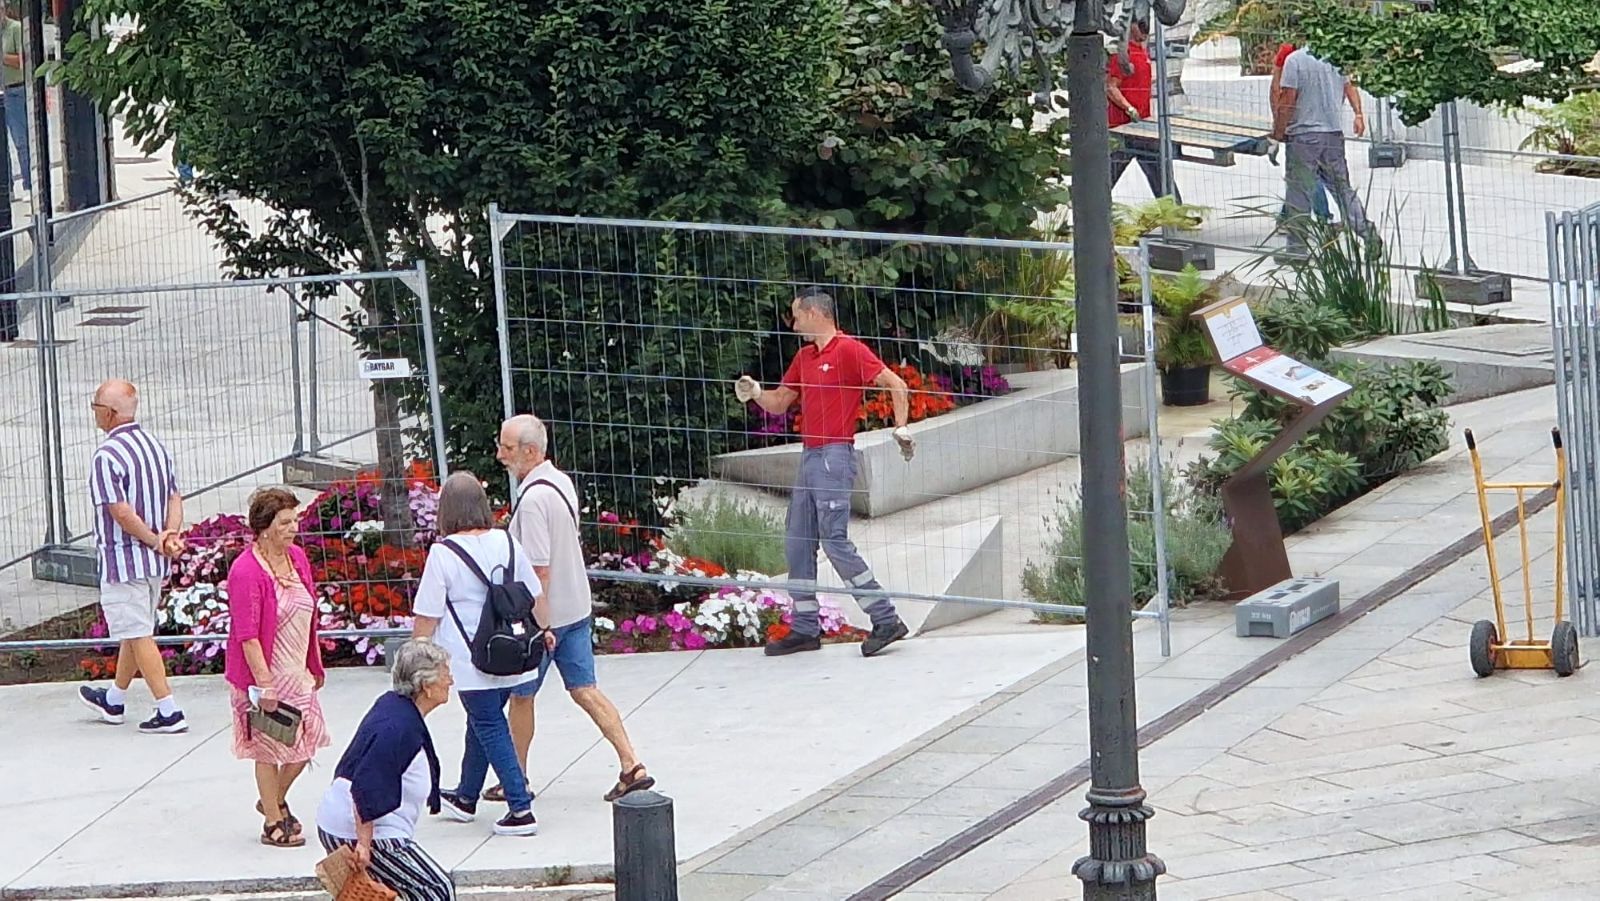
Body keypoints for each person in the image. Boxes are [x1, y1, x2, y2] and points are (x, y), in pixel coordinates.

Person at [485, 413, 655, 805]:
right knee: (586, 690)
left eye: (507, 448)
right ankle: (632, 764)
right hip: (576, 606)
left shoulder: (531, 501)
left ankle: (517, 778)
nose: (500, 456)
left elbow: (538, 570)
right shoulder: (559, 482)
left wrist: (538, 623)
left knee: (522, 696)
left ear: (530, 451)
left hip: (547, 618)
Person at [735, 287, 912, 658]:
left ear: (816, 313)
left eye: (797, 315)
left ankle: (885, 618)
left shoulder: (849, 349)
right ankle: (804, 628)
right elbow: (780, 402)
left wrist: (901, 427)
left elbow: (896, 384)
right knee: (798, 540)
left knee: (834, 540)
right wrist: (754, 392)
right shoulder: (804, 356)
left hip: (834, 455)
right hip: (811, 456)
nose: (793, 322)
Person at [411, 471, 549, 837]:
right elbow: (534, 594)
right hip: (513, 651)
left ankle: (520, 807)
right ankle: (466, 796)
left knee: (488, 722)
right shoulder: (507, 542)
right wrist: (546, 631)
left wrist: (415, 658)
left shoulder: (443, 553)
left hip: (471, 659)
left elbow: (427, 614)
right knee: (482, 719)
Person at [78, 379, 189, 733]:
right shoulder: (155, 445)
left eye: (96, 407)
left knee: (139, 633)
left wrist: (156, 540)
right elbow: (174, 496)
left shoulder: (106, 455)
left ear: (109, 413)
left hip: (123, 560)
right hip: (153, 561)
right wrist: (169, 535)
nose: (94, 414)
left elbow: (120, 512)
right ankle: (115, 699)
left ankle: (168, 709)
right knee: (135, 628)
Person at [224, 487, 331, 848]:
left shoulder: (297, 558)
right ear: (265, 527)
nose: (293, 528)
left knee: (305, 745)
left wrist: (313, 665)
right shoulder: (246, 571)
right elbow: (248, 635)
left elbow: (308, 617)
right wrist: (265, 685)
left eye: (295, 519)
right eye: (285, 522)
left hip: (295, 669)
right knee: (268, 749)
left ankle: (273, 798)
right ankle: (272, 817)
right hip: (263, 674)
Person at [316, 639, 455, 901]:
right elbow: (366, 785)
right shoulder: (399, 728)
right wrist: (364, 844)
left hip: (342, 821)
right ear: (426, 685)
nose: (451, 681)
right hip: (363, 832)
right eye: (446, 674)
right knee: (437, 890)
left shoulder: (395, 707)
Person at [1272, 47, 1373, 252]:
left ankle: (1296, 249)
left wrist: (1277, 134)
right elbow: (1349, 86)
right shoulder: (1335, 56)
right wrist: (1358, 114)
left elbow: (1287, 102)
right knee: (1342, 189)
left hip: (1303, 136)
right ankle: (1368, 233)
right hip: (1333, 134)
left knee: (1299, 193)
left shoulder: (1295, 60)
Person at [1106, 19, 1178, 201]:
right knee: (1109, 174)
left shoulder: (1143, 52)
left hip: (1142, 125)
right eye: (1140, 25)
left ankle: (1176, 211)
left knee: (1158, 168)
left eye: (1146, 26)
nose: (1145, 30)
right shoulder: (1122, 54)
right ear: (1129, 26)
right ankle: (1088, 214)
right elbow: (1110, 87)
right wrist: (1129, 108)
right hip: (1122, 126)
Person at [1271, 41, 1331, 223]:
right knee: (1309, 175)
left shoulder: (1321, 53)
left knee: (1300, 175)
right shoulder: (1288, 53)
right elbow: (1276, 90)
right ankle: (1323, 218)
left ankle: (1285, 218)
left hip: (1310, 126)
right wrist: (1279, 126)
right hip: (1303, 127)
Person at [1, 1, 28, 199]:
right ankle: (7, 188)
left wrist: (2, 57)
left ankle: (29, 185)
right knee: (4, 144)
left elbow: (22, 61)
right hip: (3, 92)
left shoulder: (15, 29)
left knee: (21, 140)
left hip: (16, 90)